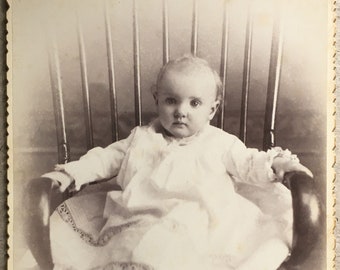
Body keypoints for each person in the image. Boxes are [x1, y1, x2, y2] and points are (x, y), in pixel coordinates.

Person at [41, 55, 312, 270]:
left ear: (212, 109)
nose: (181, 111)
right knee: (134, 248)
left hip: (199, 221)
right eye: (171, 100)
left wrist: (278, 163)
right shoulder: (141, 138)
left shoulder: (219, 142)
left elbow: (249, 163)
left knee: (179, 253)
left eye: (195, 103)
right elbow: (104, 158)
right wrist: (70, 174)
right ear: (157, 100)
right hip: (141, 218)